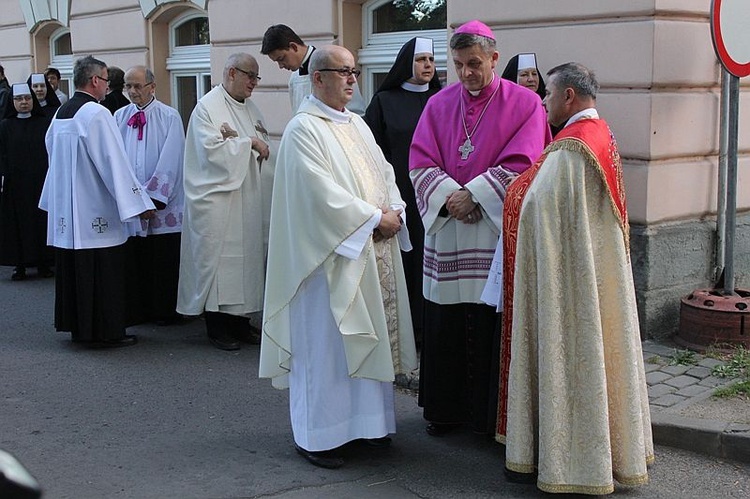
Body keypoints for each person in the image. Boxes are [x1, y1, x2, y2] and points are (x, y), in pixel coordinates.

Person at [259, 45, 417, 470]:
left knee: (366, 338)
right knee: (326, 350)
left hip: (367, 252)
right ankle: (319, 435)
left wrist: (396, 209)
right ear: (317, 77)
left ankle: (369, 427)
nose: (352, 79)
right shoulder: (303, 129)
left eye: (354, 71)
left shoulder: (358, 126)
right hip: (325, 262)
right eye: (342, 72)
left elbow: (385, 173)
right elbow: (318, 195)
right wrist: (374, 218)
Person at [498, 62, 654, 494]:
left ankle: (570, 465)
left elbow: (539, 210)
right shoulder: (600, 134)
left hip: (567, 286)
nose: (544, 101)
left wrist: (515, 195)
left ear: (569, 96)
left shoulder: (572, 148)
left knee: (571, 360)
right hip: (592, 272)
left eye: (548, 93)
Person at [408, 20, 550, 437]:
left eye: (474, 63)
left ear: (494, 58)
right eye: (458, 65)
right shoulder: (438, 104)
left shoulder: (525, 104)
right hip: (450, 232)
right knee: (446, 323)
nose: (466, 73)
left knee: (491, 324)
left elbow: (527, 163)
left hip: (491, 236)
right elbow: (418, 160)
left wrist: (476, 195)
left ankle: (492, 418)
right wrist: (454, 198)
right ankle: (446, 410)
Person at [39, 55, 156, 348]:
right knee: (104, 272)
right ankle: (106, 331)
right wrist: (138, 203)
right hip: (95, 210)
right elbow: (113, 162)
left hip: (70, 212)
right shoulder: (96, 113)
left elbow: (51, 158)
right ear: (95, 81)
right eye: (106, 81)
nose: (108, 87)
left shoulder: (62, 112)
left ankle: (80, 328)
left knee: (77, 271)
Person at [177, 53, 275, 351]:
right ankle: (218, 327)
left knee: (249, 263)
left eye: (257, 78)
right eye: (250, 76)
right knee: (221, 265)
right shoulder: (207, 107)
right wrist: (249, 145)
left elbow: (264, 147)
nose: (254, 84)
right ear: (232, 72)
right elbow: (208, 153)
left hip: (249, 198)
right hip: (219, 201)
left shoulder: (252, 108)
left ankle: (241, 323)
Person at [364, 37, 441, 347]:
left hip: (438, 194)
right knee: (409, 260)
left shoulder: (444, 99)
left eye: (431, 60)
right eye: (420, 59)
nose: (427, 65)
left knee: (435, 258)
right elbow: (370, 153)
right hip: (401, 194)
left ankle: (436, 327)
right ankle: (410, 330)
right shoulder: (384, 102)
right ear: (405, 62)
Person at [114, 66, 185, 326]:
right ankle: (138, 309)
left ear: (152, 87)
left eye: (137, 86)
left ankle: (165, 310)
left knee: (162, 259)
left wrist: (153, 198)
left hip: (161, 204)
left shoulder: (169, 116)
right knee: (136, 258)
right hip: (133, 203)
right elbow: (117, 159)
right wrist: (131, 197)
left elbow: (173, 157)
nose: (132, 92)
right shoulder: (119, 116)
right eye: (128, 86)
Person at [0, 83, 54, 281]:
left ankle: (44, 262)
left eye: (27, 98)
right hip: (16, 185)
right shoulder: (5, 126)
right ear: (12, 102)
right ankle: (19, 265)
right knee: (17, 224)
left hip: (40, 182)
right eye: (19, 99)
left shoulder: (44, 123)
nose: (24, 102)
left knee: (41, 222)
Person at [260, 24, 366, 115]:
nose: (281, 66)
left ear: (294, 47)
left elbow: (355, 111)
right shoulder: (294, 78)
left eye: (281, 59)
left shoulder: (332, 64)